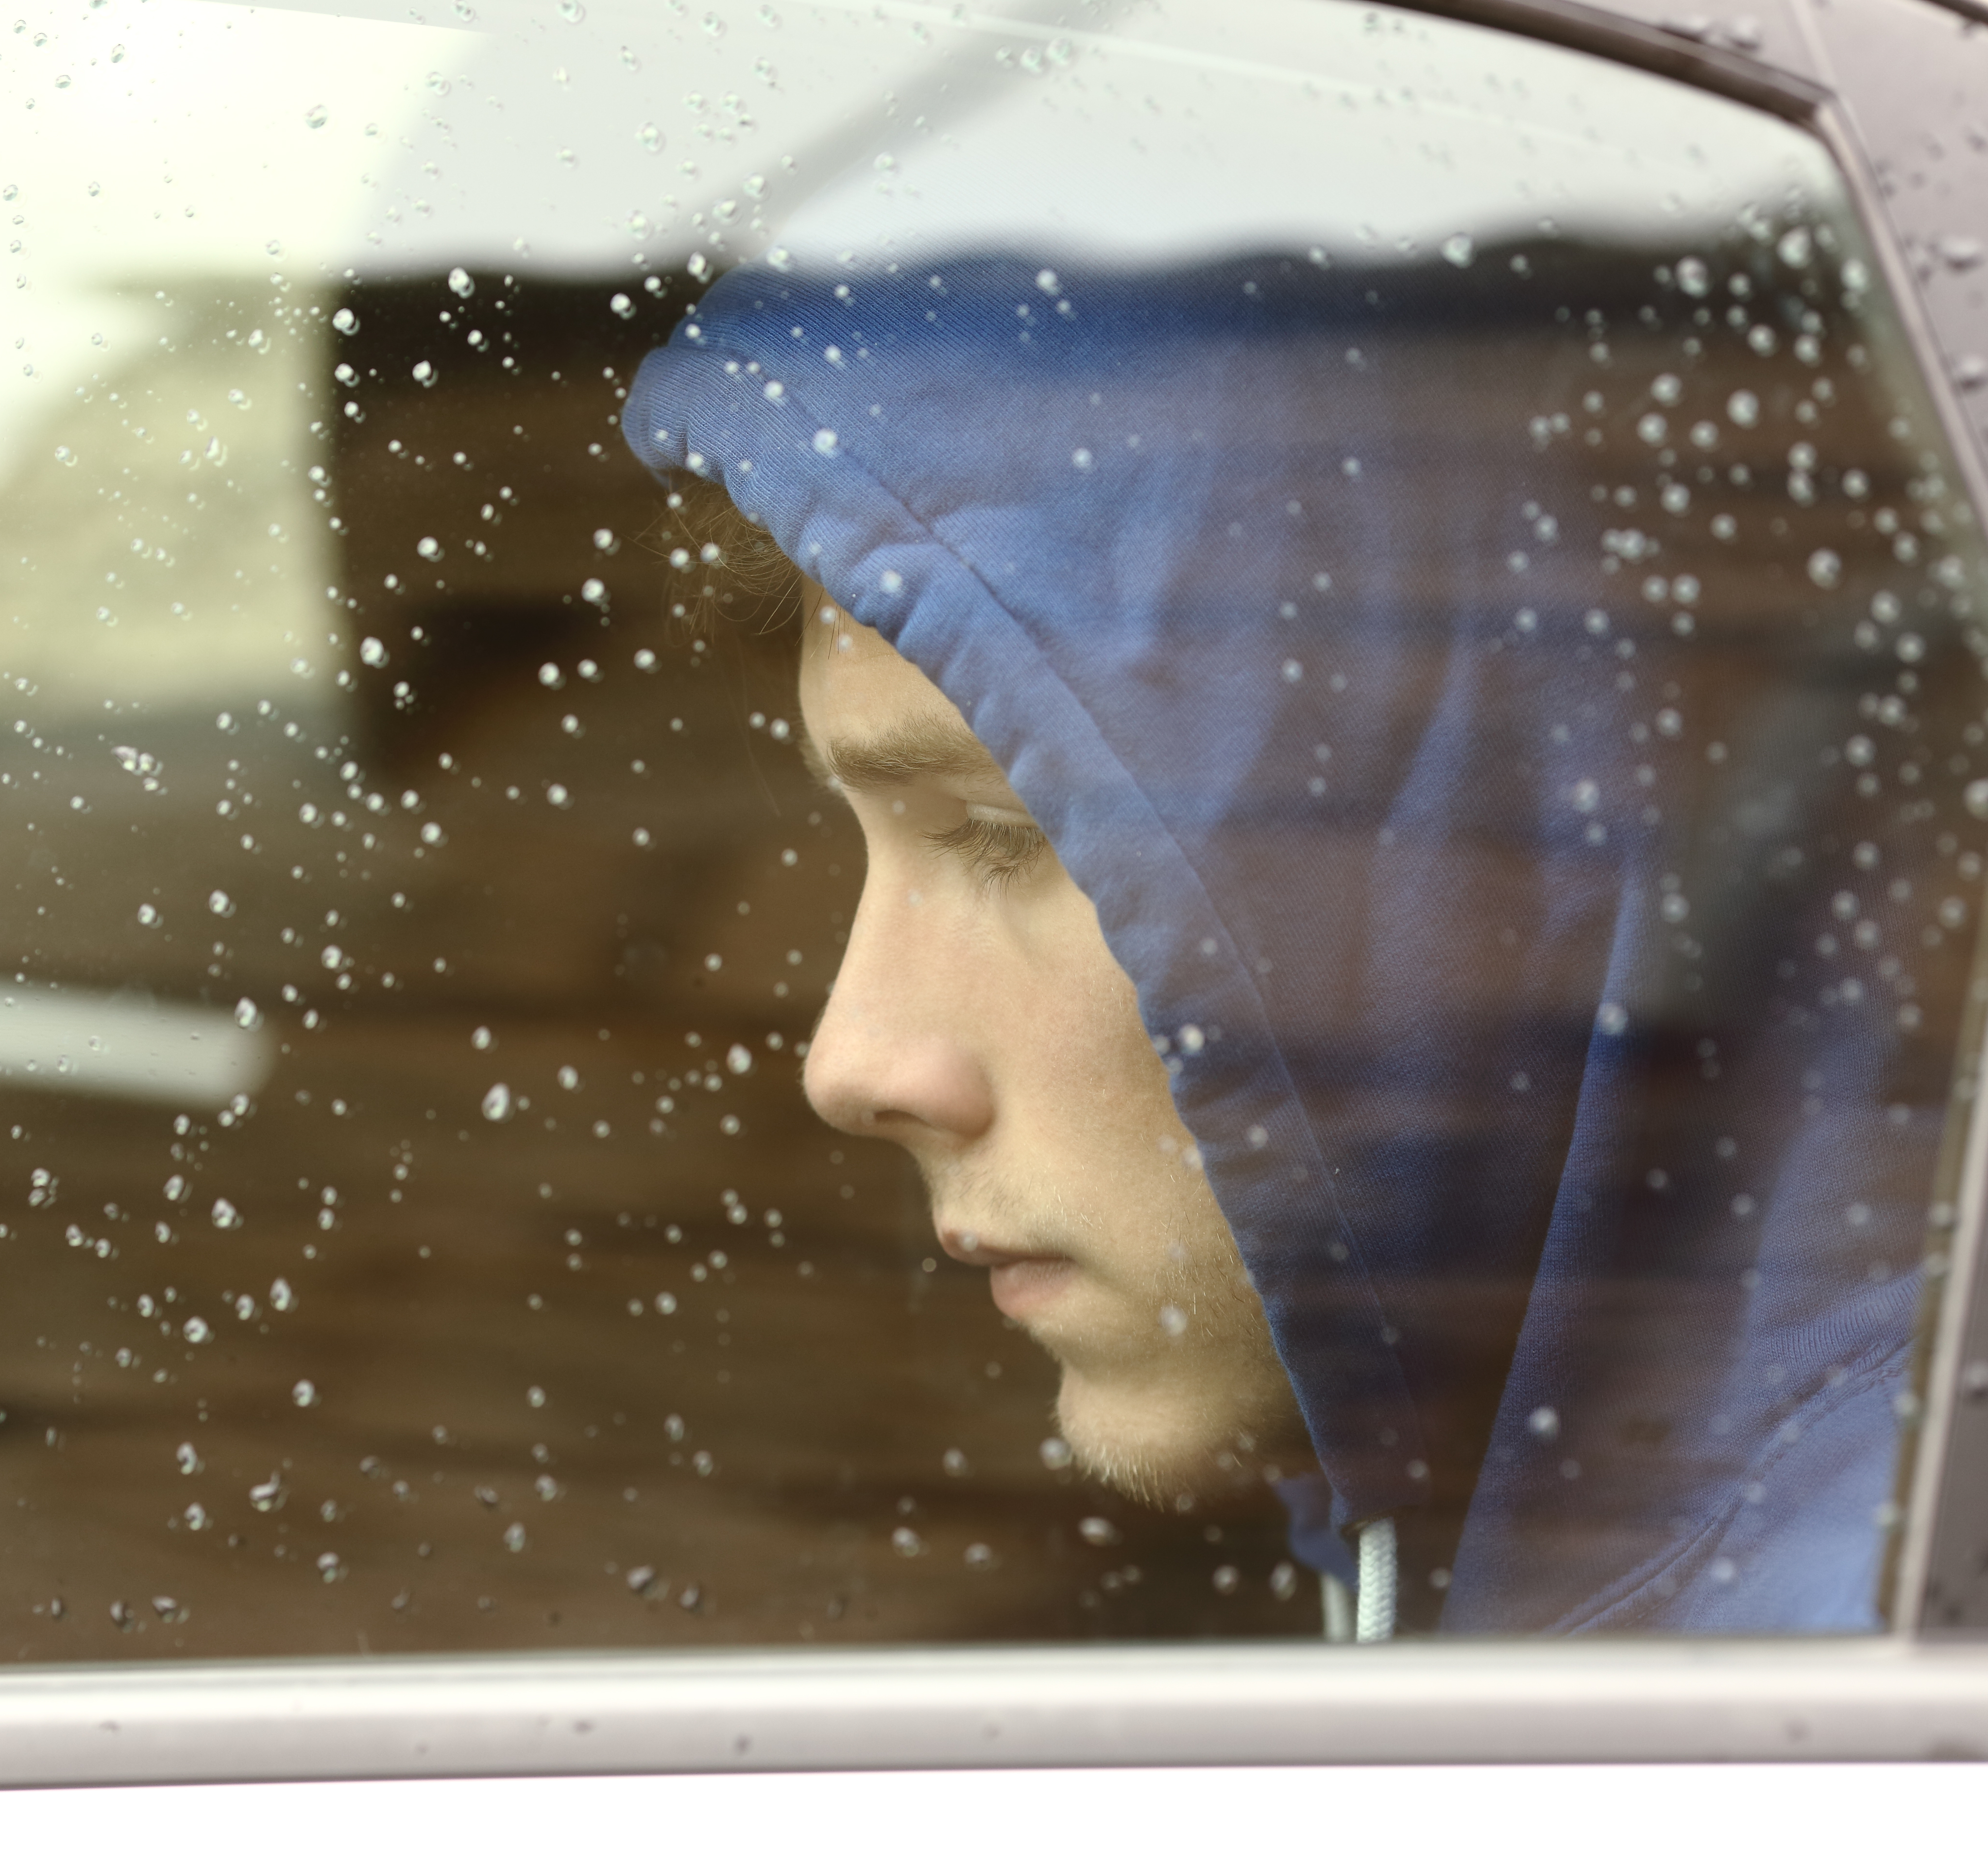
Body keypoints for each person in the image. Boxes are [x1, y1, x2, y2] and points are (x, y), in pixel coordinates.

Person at [623, 237, 1980, 1636]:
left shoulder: (1860, 1683)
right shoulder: (1600, 1561)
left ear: (1482, 823)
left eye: (1009, 836)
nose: (852, 1063)